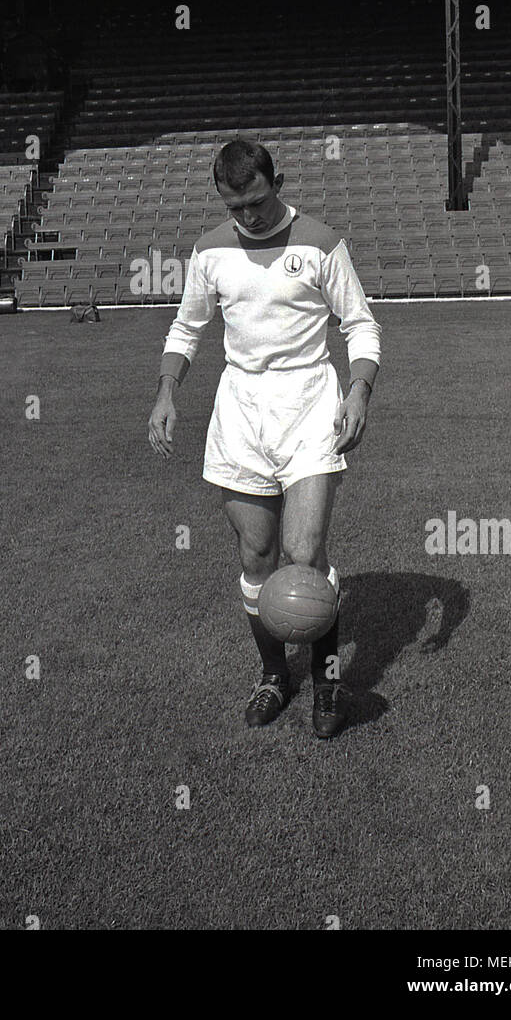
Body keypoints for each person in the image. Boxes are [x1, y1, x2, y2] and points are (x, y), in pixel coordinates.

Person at [148, 139, 382, 739]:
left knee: (304, 555)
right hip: (240, 412)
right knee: (257, 557)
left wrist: (358, 391)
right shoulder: (209, 251)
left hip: (308, 406)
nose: (248, 216)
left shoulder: (322, 243)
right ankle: (274, 675)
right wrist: (167, 390)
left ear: (277, 182)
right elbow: (188, 324)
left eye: (256, 200)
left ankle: (327, 682)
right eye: (235, 206)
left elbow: (360, 323)